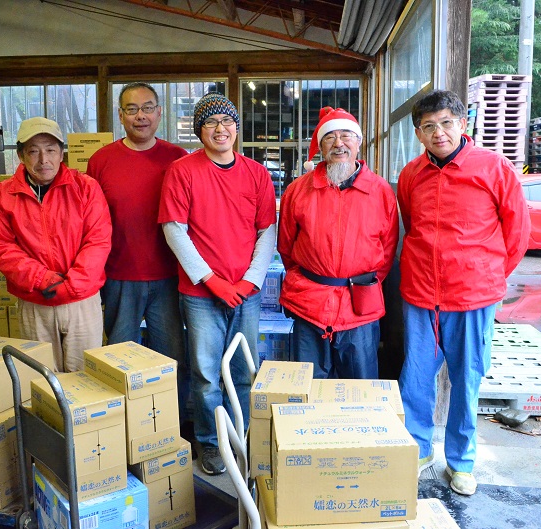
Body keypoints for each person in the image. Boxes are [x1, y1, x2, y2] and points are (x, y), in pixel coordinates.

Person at [396, 90, 530, 496]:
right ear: (419, 133)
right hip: (420, 294)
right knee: (415, 379)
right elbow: (410, 224)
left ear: (463, 124)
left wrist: (487, 276)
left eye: (446, 123)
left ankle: (462, 461)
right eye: (429, 126)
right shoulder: (410, 175)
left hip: (473, 297)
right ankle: (418, 451)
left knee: (466, 380)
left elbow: (518, 232)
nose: (439, 133)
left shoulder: (494, 168)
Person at [159, 92, 276, 476]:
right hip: (200, 294)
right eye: (210, 123)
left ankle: (241, 439)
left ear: (237, 129)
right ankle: (210, 444)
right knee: (207, 373)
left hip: (247, 292)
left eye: (227, 122)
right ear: (199, 131)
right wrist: (212, 282)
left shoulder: (257, 173)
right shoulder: (182, 171)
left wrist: (249, 281)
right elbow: (174, 230)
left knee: (245, 370)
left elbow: (266, 230)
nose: (220, 129)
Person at [86, 82, 191, 428]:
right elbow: (91, 220)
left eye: (147, 108)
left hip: (169, 278)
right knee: (117, 361)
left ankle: (172, 429)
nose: (140, 116)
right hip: (119, 277)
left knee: (173, 360)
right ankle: (122, 431)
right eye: (131, 109)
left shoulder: (178, 158)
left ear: (160, 113)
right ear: (120, 115)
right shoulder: (101, 161)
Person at [0, 117, 112, 372]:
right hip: (35, 301)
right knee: (41, 379)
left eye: (51, 150)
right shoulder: (4, 194)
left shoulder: (85, 188)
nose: (44, 159)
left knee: (85, 376)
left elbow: (98, 240)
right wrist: (43, 279)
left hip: (81, 301)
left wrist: (71, 285)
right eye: (33, 151)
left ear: (61, 153)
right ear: (21, 155)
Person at [278, 107, 399, 379]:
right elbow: (286, 247)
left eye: (346, 136)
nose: (339, 143)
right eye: (330, 137)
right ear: (320, 145)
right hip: (309, 302)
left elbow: (387, 250)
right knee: (307, 387)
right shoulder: (298, 191)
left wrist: (362, 284)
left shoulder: (380, 192)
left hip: (360, 306)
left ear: (359, 142)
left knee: (360, 387)